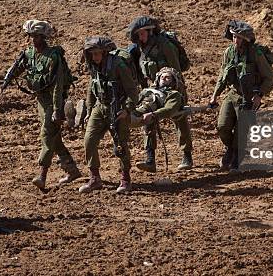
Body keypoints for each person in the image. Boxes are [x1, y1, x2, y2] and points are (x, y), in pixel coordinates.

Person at [5, 20, 81, 190]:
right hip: (40, 100)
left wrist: (56, 109)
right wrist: (9, 78)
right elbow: (21, 67)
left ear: (44, 37)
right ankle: (71, 170)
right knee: (53, 136)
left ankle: (42, 175)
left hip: (54, 101)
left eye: (37, 36)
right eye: (31, 36)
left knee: (46, 136)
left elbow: (57, 86)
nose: (33, 39)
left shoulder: (53, 57)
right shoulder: (29, 53)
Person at [127, 16, 193, 170]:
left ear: (150, 32)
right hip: (154, 89)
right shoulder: (140, 50)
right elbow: (141, 74)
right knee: (147, 119)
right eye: (138, 35)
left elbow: (176, 71)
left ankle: (187, 156)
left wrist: (180, 95)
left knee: (180, 120)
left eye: (142, 33)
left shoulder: (165, 46)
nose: (140, 37)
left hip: (172, 88)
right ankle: (150, 159)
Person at [209, 21, 273, 172]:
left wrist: (259, 95)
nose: (235, 40)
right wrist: (215, 95)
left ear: (245, 40)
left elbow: (269, 77)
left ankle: (237, 156)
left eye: (238, 38)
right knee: (222, 126)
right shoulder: (228, 52)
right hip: (232, 94)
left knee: (241, 131)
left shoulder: (255, 54)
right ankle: (231, 150)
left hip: (249, 96)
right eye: (233, 37)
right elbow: (222, 75)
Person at [79, 36, 139, 194]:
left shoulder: (118, 65)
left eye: (97, 53)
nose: (95, 57)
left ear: (105, 53)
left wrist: (127, 109)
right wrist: (89, 109)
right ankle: (94, 178)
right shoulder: (93, 66)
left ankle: (125, 179)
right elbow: (92, 87)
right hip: (100, 107)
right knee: (89, 141)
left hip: (118, 109)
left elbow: (133, 91)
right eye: (92, 54)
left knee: (120, 145)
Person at [132, 67, 187, 172]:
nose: (163, 79)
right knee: (147, 128)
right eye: (162, 77)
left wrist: (153, 115)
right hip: (137, 110)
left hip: (150, 111)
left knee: (182, 127)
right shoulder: (148, 90)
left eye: (167, 78)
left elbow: (169, 109)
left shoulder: (174, 94)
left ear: (173, 81)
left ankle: (186, 155)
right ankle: (150, 161)